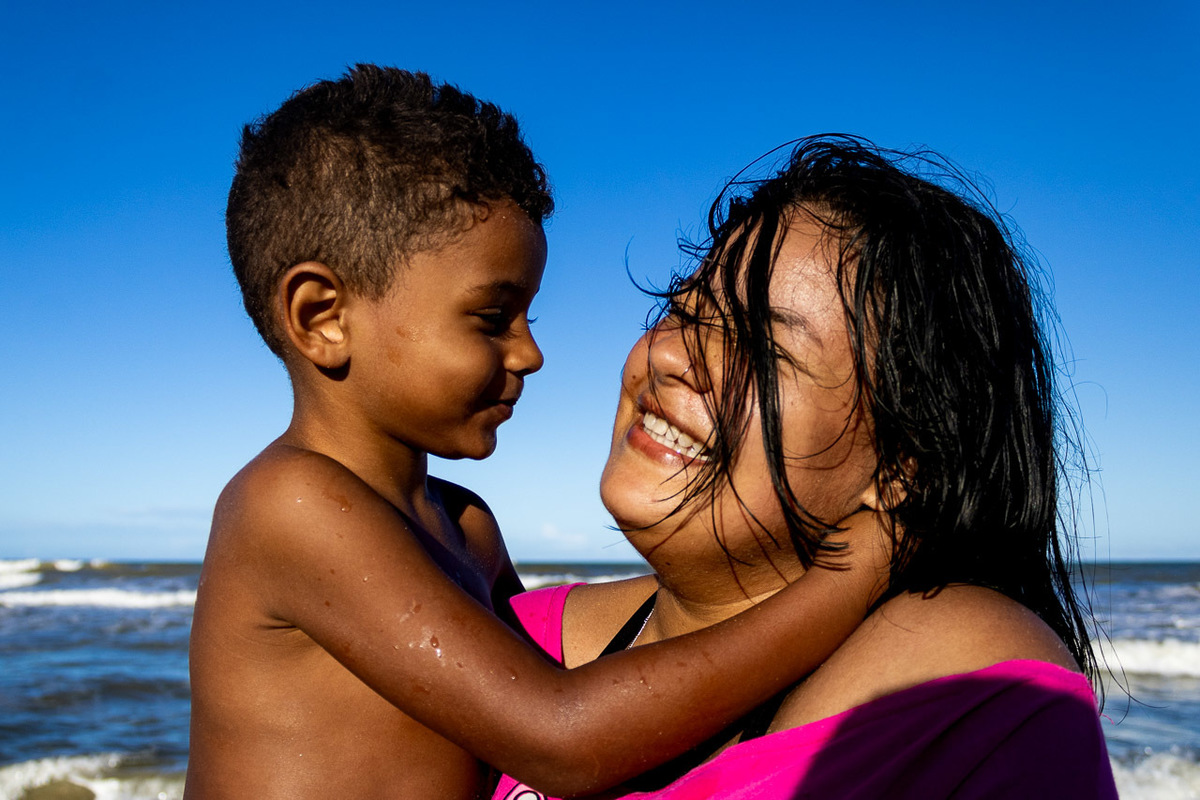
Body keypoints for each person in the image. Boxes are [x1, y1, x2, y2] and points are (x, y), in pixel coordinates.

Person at [185, 69, 892, 800]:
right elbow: (563, 739)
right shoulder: (288, 507)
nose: (529, 353)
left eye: (529, 317)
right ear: (322, 317)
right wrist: (852, 574)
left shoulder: (467, 529)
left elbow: (570, 718)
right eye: (493, 318)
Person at [495, 136, 1118, 799]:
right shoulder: (520, 640)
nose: (673, 356)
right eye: (684, 309)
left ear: (902, 468)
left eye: (764, 348)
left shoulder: (964, 699)